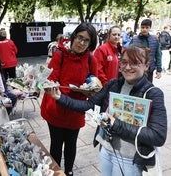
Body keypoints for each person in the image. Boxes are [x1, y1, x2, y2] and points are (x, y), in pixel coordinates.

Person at [45, 43, 167, 176]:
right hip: (106, 149)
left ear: (146, 65)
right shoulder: (113, 85)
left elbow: (158, 136)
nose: (127, 67)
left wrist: (116, 124)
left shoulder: (153, 94)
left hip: (129, 159)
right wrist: (59, 97)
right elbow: (88, 106)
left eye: (134, 63)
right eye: (124, 62)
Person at [41, 23, 99, 176]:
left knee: (71, 143)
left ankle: (69, 171)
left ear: (90, 43)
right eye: (80, 37)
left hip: (75, 109)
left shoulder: (90, 59)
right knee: (56, 143)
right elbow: (51, 77)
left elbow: (94, 81)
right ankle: (56, 171)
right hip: (56, 107)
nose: (81, 43)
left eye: (86, 40)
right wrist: (52, 86)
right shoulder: (60, 54)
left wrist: (90, 89)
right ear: (74, 36)